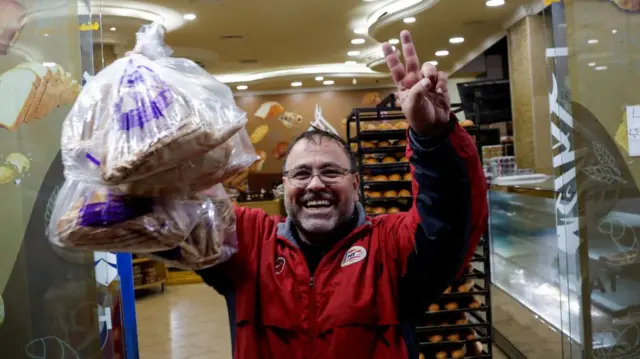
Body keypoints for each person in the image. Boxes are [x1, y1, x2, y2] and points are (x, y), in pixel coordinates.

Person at [192, 30, 488, 359]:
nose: (315, 184)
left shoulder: (388, 248)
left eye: (331, 172)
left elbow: (447, 226)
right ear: (285, 185)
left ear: (357, 185)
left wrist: (434, 138)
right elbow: (179, 216)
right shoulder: (250, 244)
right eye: (301, 173)